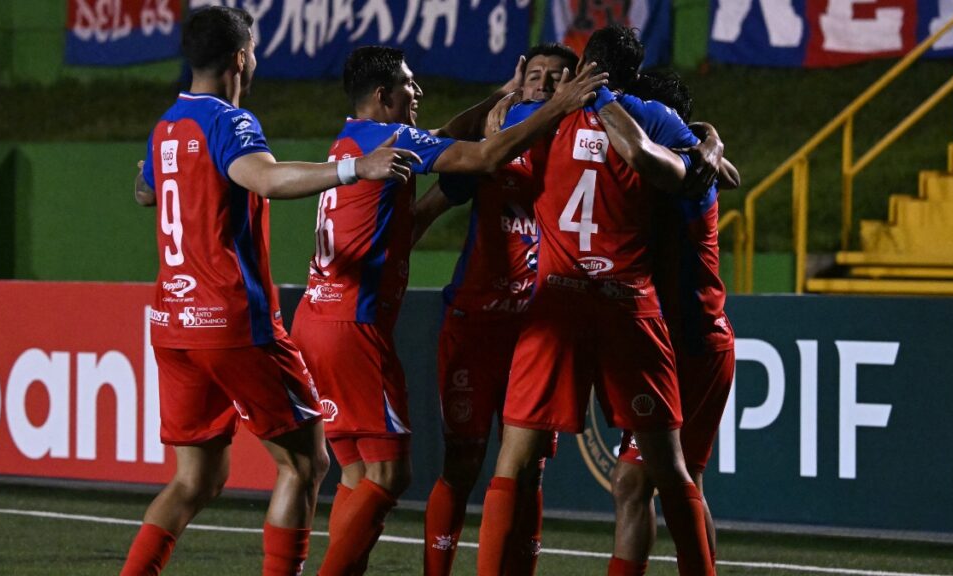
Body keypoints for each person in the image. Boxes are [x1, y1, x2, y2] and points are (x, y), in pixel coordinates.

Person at [121, 7, 418, 576]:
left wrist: (151, 176)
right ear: (240, 57)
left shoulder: (167, 125)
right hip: (231, 323)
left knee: (195, 479)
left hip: (171, 325)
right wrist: (356, 168)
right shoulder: (231, 122)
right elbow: (267, 178)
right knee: (305, 465)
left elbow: (146, 192)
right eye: (252, 48)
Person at [288, 45, 606, 576]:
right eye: (409, 85)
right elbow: (477, 157)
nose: (419, 93)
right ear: (384, 95)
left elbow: (442, 140)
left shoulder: (357, 139)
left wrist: (501, 97)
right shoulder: (394, 140)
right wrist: (557, 104)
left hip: (318, 319)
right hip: (356, 327)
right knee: (392, 476)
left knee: (357, 473)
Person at [476, 25, 716, 576]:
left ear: (587, 66)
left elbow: (493, 135)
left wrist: (516, 96)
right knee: (672, 471)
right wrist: (709, 139)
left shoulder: (549, 115)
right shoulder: (653, 119)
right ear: (637, 73)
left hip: (555, 302)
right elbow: (710, 170)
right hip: (627, 304)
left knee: (514, 461)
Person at [413, 42, 581, 576]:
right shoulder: (489, 148)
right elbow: (432, 200)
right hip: (475, 324)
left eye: (559, 77)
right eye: (536, 75)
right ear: (520, 81)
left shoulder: (586, 150)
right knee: (462, 463)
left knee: (528, 469)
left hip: (538, 329)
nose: (546, 85)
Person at [608, 71, 739, 576]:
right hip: (680, 342)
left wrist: (705, 144)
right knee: (649, 482)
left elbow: (658, 158)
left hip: (693, 344)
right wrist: (710, 140)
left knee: (644, 481)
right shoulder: (692, 162)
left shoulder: (680, 177)